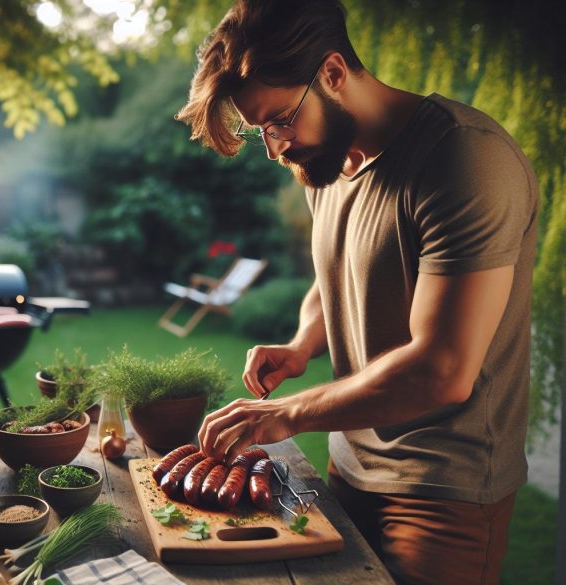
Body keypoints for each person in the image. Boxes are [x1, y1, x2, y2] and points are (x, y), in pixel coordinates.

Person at [176, 1, 538, 584]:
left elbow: (442, 368)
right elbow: (338, 268)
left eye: (279, 121)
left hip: (442, 491)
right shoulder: (327, 161)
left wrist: (288, 412)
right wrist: (300, 345)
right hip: (348, 468)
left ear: (334, 73)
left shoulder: (465, 159)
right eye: (259, 131)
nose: (274, 148)